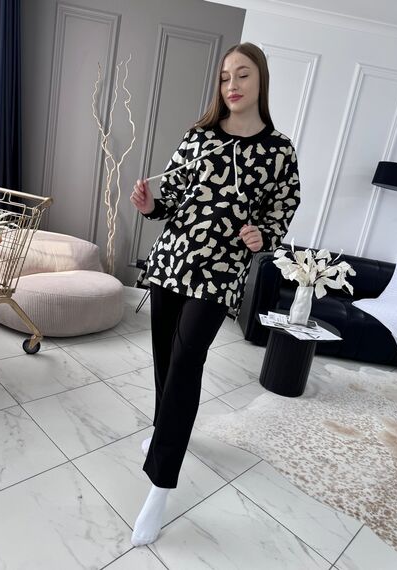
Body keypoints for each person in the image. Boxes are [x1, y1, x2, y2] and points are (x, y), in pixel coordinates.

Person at [129, 42, 301, 546]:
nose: (232, 85)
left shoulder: (279, 150)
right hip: (173, 259)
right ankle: (164, 431)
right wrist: (149, 205)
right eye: (225, 76)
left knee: (187, 362)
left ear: (260, 80)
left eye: (242, 74)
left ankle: (160, 484)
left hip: (220, 271)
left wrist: (263, 237)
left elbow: (282, 209)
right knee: (166, 358)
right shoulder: (198, 136)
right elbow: (171, 198)